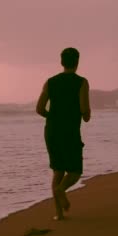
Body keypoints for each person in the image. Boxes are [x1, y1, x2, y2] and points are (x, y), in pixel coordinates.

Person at [36, 47, 91, 221]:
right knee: (74, 171)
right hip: (70, 131)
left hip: (51, 131)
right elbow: (85, 110)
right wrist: (86, 115)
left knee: (58, 171)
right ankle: (61, 190)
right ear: (77, 62)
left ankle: (59, 214)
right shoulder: (81, 82)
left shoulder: (50, 82)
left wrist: (53, 117)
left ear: (62, 62)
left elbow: (39, 109)